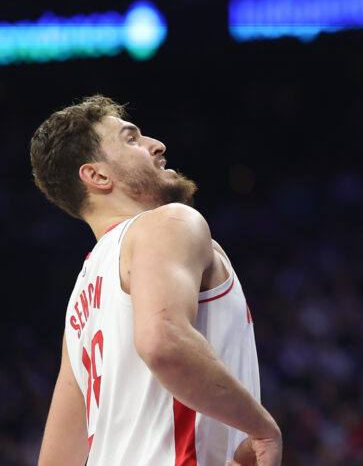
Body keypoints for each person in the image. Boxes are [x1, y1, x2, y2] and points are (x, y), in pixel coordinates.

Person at [31, 95, 280, 466]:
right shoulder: (168, 222)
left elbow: (56, 457)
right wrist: (262, 429)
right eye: (131, 139)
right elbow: (162, 341)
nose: (157, 144)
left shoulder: (81, 300)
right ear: (98, 176)